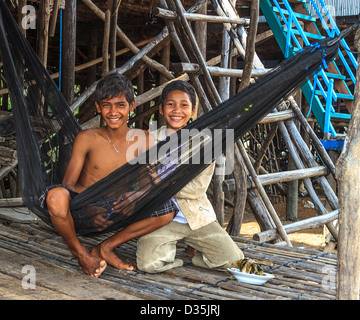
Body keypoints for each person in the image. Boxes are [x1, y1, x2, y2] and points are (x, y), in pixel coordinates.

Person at [44, 74, 177, 278]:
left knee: (167, 209)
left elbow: (147, 185)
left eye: (120, 105)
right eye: (106, 105)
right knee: (55, 197)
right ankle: (81, 254)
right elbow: (67, 185)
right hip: (84, 208)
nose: (113, 112)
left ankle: (105, 247)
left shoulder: (144, 140)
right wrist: (88, 208)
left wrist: (135, 197)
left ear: (131, 106)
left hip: (117, 209)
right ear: (98, 107)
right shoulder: (87, 138)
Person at [136, 80, 243, 273]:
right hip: (160, 218)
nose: (177, 110)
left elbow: (197, 189)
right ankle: (173, 254)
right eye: (171, 104)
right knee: (148, 264)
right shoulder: (149, 141)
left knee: (234, 259)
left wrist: (157, 181)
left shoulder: (204, 144)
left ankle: (196, 256)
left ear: (193, 111)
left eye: (184, 105)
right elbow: (139, 181)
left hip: (196, 217)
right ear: (161, 109)